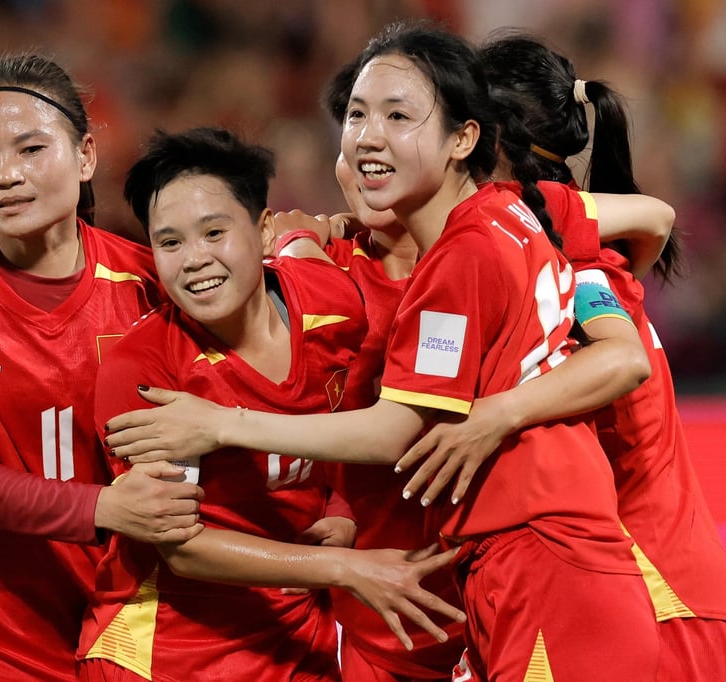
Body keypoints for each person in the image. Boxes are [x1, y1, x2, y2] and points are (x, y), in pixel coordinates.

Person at [102, 22, 664, 680]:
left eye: (399, 116)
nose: (368, 139)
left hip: (535, 556)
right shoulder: (510, 213)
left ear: (464, 137)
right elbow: (651, 217)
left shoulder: (458, 260)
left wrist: (219, 423)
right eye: (358, 117)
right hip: (478, 578)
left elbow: (399, 428)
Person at [77, 126, 466, 682]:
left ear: (261, 233)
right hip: (165, 651)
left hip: (294, 639)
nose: (194, 260)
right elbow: (180, 546)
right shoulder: (141, 371)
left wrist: (337, 507)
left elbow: (341, 428)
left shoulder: (335, 307)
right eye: (170, 243)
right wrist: (343, 568)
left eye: (215, 232)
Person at [0, 54, 204, 681]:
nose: (8, 175)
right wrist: (103, 509)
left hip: (118, 622)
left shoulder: (151, 283)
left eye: (31, 149)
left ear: (85, 156)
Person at [472, 33, 726, 681]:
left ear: (489, 140)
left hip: (650, 597)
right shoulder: (565, 249)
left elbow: (622, 359)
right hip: (656, 594)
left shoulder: (564, 258)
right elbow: (654, 217)